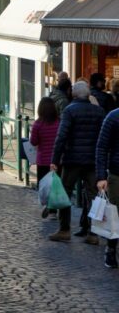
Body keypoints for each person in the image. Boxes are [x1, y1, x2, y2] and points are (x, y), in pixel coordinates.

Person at [49, 81, 105, 244]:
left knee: (65, 193)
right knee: (93, 195)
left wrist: (55, 159)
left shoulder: (70, 110)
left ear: (73, 94)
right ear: (88, 95)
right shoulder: (99, 111)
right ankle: (93, 232)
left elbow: (61, 137)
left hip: (72, 159)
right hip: (92, 160)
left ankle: (64, 229)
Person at [96, 107, 119, 268]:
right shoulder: (113, 117)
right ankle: (111, 250)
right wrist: (101, 176)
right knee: (115, 215)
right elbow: (101, 147)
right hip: (117, 174)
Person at [30, 97, 60, 220]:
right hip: (57, 160)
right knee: (56, 185)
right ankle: (53, 210)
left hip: (43, 160)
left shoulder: (38, 124)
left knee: (44, 185)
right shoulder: (59, 122)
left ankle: (47, 204)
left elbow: (33, 141)